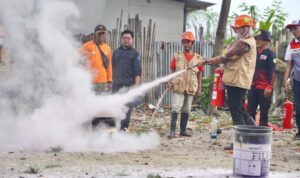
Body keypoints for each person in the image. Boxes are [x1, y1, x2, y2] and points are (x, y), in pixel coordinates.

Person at [202, 15, 257, 127]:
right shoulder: (243, 41)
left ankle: (240, 141)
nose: (235, 30)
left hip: (238, 80)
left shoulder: (245, 43)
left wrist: (206, 61)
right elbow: (229, 58)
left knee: (236, 112)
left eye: (237, 28)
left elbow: (225, 56)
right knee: (240, 109)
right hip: (236, 79)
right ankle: (252, 134)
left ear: (245, 28)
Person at [167, 31, 203, 138]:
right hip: (178, 85)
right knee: (176, 107)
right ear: (182, 43)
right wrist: (170, 82)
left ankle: (183, 131)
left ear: (192, 43)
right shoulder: (177, 56)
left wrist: (199, 87)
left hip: (191, 86)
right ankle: (172, 131)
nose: (186, 44)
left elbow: (200, 73)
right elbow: (172, 70)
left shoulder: (198, 58)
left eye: (188, 42)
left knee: (187, 109)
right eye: (184, 42)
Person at [82, 24, 113, 128]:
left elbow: (109, 66)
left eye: (103, 34)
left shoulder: (107, 48)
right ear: (94, 35)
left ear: (105, 35)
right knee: (88, 104)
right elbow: (77, 58)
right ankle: (86, 126)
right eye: (99, 34)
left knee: (100, 105)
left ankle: (97, 126)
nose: (101, 36)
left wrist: (109, 81)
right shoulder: (87, 46)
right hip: (89, 82)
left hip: (102, 82)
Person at [112, 29, 142, 131]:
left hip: (129, 87)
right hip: (116, 86)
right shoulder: (116, 52)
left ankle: (124, 129)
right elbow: (112, 68)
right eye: (124, 38)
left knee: (127, 110)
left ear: (132, 40)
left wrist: (136, 88)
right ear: (122, 39)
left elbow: (137, 72)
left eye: (128, 38)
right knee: (115, 108)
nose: (126, 40)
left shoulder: (135, 54)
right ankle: (113, 130)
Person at [247, 30, 276, 126]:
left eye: (260, 39)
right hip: (252, 86)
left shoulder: (270, 54)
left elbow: (273, 71)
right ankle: (250, 131)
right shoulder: (252, 53)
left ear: (266, 41)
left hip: (264, 88)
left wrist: (270, 86)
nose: (257, 41)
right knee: (250, 111)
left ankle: (262, 134)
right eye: (256, 39)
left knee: (263, 113)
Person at [283, 19, 300, 140]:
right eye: (292, 29)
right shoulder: (292, 44)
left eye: (296, 28)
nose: (294, 31)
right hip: (297, 80)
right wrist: (285, 80)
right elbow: (289, 64)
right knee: (298, 107)